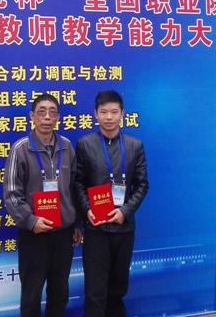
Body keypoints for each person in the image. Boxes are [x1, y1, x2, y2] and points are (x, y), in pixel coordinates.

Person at [3, 93, 82, 316]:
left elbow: (74, 187)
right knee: (32, 293)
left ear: (58, 117)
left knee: (60, 291)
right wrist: (31, 220)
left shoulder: (67, 146)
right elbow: (11, 193)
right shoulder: (21, 148)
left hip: (63, 233)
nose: (47, 117)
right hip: (34, 234)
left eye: (52, 112)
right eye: (41, 112)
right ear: (32, 116)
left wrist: (76, 223)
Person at [74, 90, 149, 317]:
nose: (109, 117)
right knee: (95, 292)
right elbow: (77, 183)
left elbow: (142, 185)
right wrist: (87, 210)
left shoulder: (135, 145)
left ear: (122, 114)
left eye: (114, 112)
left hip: (124, 229)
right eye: (104, 112)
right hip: (96, 229)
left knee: (117, 290)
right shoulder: (85, 144)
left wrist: (125, 211)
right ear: (95, 114)